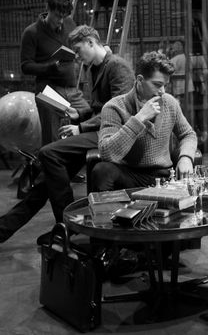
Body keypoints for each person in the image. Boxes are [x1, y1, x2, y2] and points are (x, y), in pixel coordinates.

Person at [0, 25, 135, 245]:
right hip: (99, 130)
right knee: (47, 179)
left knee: (48, 153)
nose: (78, 57)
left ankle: (69, 225)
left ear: (91, 42)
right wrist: (78, 113)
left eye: (79, 50)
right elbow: (97, 108)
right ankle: (4, 229)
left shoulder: (117, 67)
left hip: (113, 134)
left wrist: (81, 128)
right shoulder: (95, 68)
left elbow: (120, 112)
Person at [91, 51, 197, 192]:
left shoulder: (169, 103)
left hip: (163, 175)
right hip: (128, 175)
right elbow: (107, 153)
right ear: (140, 80)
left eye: (165, 85)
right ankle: (107, 214)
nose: (162, 91)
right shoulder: (114, 107)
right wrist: (139, 118)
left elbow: (188, 134)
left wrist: (186, 157)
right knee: (102, 170)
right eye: (157, 84)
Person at [20, 0, 91, 145]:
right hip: (48, 90)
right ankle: (50, 165)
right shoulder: (31, 33)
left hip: (71, 89)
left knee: (89, 116)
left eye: (64, 16)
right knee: (52, 139)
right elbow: (25, 66)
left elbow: (84, 40)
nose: (61, 21)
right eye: (58, 16)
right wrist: (48, 68)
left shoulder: (69, 23)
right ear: (48, 10)